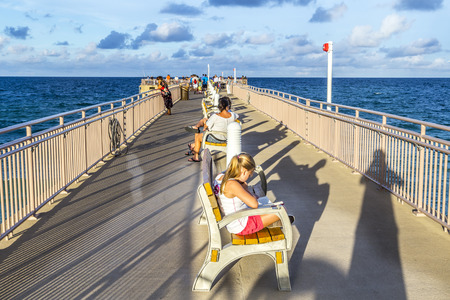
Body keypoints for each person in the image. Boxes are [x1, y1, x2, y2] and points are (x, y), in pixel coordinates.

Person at [217, 153, 294, 235]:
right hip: (241, 225)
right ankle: (273, 222)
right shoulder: (233, 184)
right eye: (250, 174)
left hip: (233, 219)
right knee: (282, 210)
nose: (250, 176)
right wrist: (246, 188)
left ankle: (272, 222)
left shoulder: (221, 176)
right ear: (244, 172)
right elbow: (254, 204)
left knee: (270, 206)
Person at [186, 97, 237, 162]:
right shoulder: (233, 115)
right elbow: (237, 116)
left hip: (215, 138)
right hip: (226, 138)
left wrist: (205, 125)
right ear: (227, 107)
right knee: (200, 130)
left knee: (198, 135)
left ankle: (195, 156)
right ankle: (193, 147)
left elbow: (205, 127)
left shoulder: (215, 116)